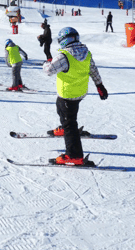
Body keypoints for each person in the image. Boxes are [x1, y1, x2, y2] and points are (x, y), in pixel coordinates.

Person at [43, 27, 108, 166]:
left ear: (63, 40)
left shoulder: (64, 56)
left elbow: (48, 70)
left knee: (69, 122)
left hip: (67, 94)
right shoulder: (86, 53)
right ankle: (64, 127)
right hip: (79, 93)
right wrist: (99, 85)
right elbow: (93, 70)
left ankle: (74, 155)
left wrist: (47, 61)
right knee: (63, 109)